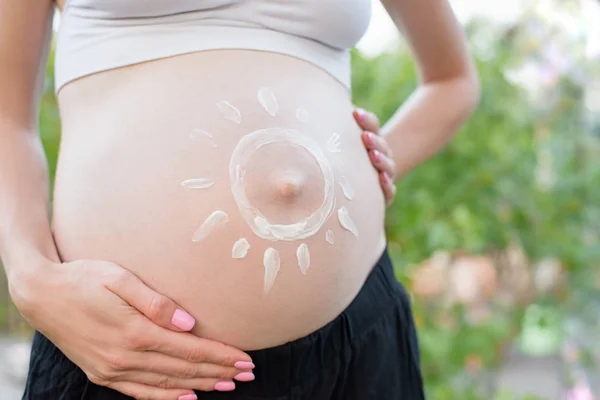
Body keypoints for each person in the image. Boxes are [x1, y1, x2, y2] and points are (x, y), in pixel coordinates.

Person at [0, 0, 479, 399]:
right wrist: (31, 279)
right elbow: (8, 119)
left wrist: (371, 163)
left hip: (356, 336)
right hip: (130, 349)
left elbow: (452, 79)